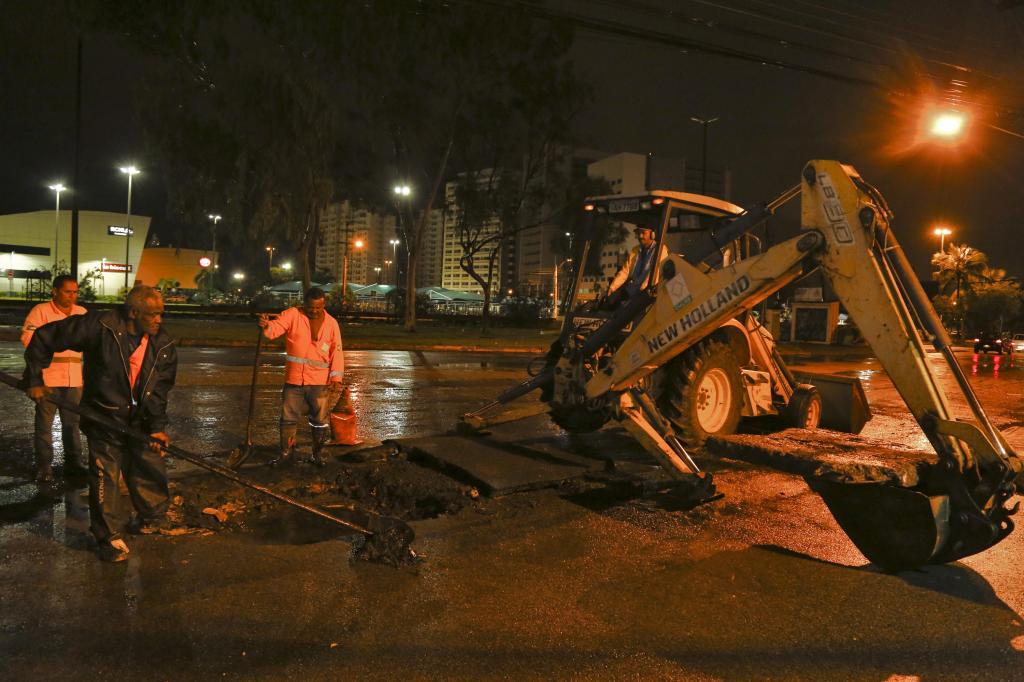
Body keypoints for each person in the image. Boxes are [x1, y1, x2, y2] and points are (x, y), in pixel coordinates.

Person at [24, 286, 177, 563]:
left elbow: (159, 389)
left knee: (148, 463)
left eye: (161, 314)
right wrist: (35, 378)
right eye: (153, 314)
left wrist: (156, 426)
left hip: (139, 419)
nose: (159, 320)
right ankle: (108, 537)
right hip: (103, 416)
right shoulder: (99, 326)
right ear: (134, 313)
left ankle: (152, 517)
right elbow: (45, 337)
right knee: (106, 475)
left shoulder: (162, 344)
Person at [258, 287, 344, 467]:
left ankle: (318, 454)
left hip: (320, 381)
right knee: (288, 418)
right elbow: (276, 328)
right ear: (304, 304)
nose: (314, 311)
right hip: (294, 379)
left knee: (319, 421)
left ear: (324, 305)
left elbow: (336, 351)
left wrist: (336, 377)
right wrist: (267, 325)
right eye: (311, 307)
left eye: (318, 307)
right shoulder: (293, 315)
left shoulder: (332, 324)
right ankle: (287, 454)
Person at [20, 275, 88, 483]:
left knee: (72, 424)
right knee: (44, 425)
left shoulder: (81, 313)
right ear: (55, 291)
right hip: (47, 378)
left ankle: (74, 464)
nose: (72, 296)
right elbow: (29, 339)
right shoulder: (41, 311)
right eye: (68, 292)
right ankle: (44, 466)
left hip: (74, 379)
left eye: (75, 292)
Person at [605, 222, 670, 305]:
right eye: (638, 233)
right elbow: (625, 272)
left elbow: (656, 275)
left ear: (652, 234)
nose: (640, 236)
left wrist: (643, 292)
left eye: (643, 233)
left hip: (646, 297)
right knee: (609, 305)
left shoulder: (660, 249)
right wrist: (612, 287)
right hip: (631, 293)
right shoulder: (635, 251)